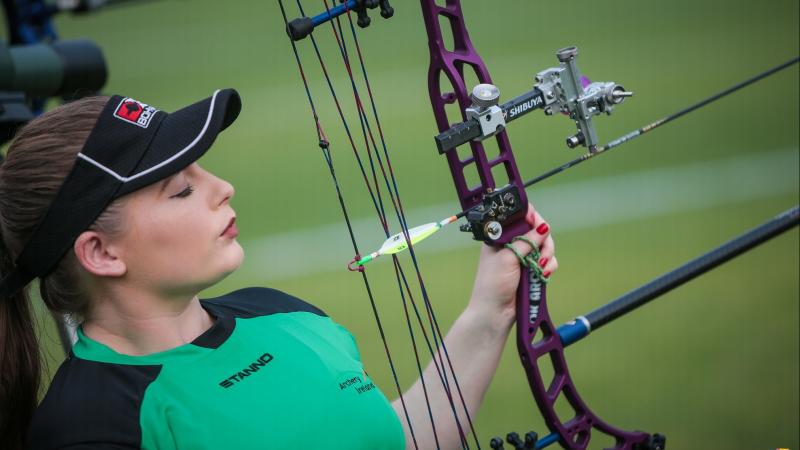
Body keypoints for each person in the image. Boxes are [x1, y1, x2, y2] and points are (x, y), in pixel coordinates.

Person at [0, 89, 557, 449]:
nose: (222, 189)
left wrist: (492, 308)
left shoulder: (281, 314)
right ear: (101, 253)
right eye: (182, 190)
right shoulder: (90, 427)